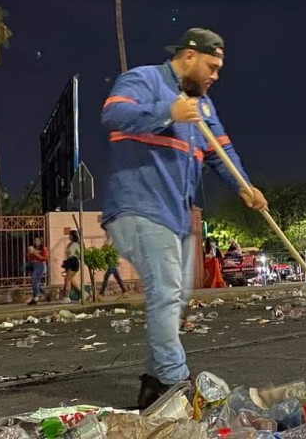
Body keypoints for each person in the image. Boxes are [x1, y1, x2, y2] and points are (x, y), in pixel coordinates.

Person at [101, 28, 267, 408]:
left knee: (174, 300)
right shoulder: (144, 80)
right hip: (138, 206)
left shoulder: (204, 107)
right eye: (212, 66)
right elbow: (113, 113)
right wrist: (167, 113)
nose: (216, 75)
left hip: (176, 216)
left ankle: (154, 386)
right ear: (189, 56)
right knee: (167, 291)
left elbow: (221, 150)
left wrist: (244, 186)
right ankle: (178, 382)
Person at [61, 230, 82, 303]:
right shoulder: (70, 244)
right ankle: (83, 295)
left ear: (73, 236)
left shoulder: (76, 244)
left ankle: (67, 297)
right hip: (69, 261)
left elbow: (80, 254)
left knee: (68, 280)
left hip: (73, 261)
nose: (69, 236)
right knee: (71, 281)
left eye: (70, 235)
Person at [26, 236, 48, 305]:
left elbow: (45, 258)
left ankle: (37, 295)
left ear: (41, 241)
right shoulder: (33, 248)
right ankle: (43, 294)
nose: (36, 242)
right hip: (33, 265)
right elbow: (29, 258)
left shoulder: (43, 249)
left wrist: (36, 254)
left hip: (40, 265)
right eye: (35, 240)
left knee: (34, 281)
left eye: (38, 240)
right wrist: (29, 253)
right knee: (35, 282)